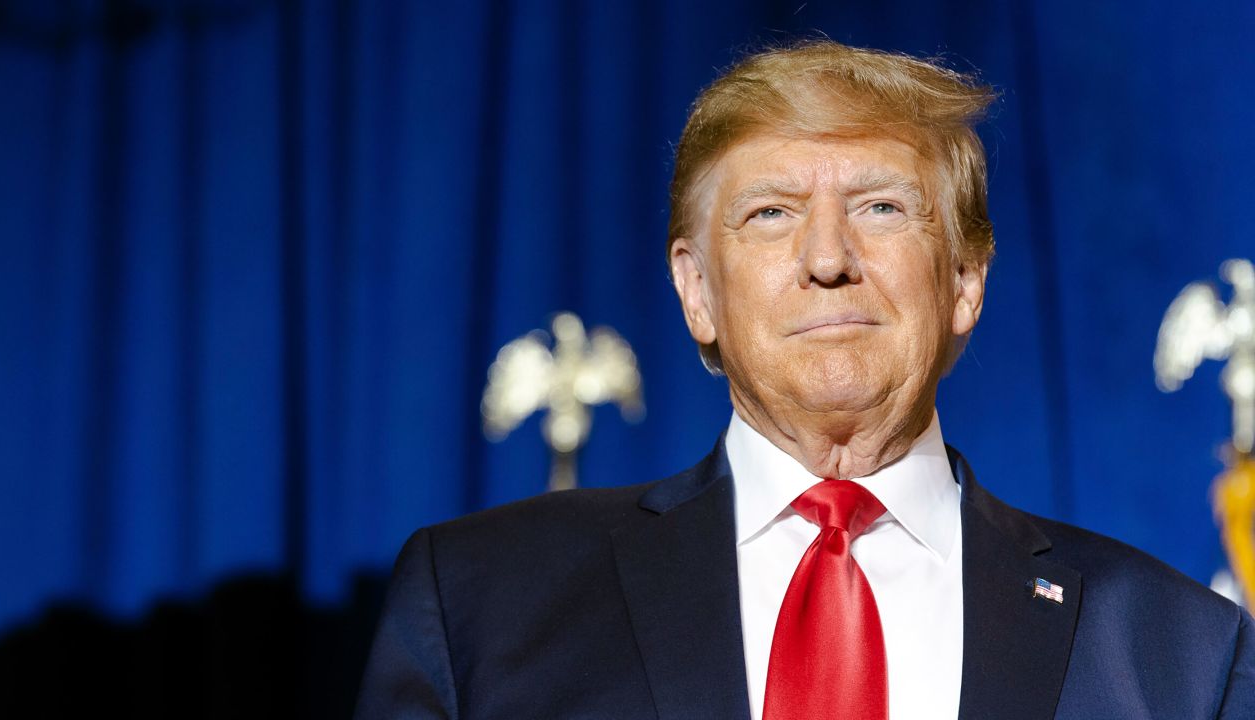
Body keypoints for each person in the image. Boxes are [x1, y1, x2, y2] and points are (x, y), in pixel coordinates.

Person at [354, 40, 1255, 719]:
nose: (828, 258)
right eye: (771, 213)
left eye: (881, 207)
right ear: (697, 291)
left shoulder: (1178, 653)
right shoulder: (480, 603)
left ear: (965, 283)